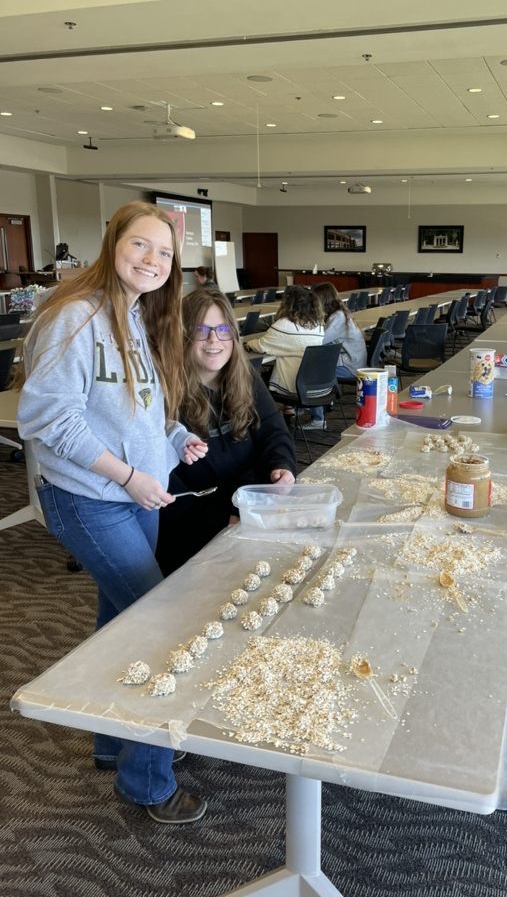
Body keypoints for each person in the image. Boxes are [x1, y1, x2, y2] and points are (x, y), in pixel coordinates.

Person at [17, 201, 210, 824]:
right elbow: (47, 418)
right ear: (113, 244)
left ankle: (109, 740)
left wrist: (175, 439)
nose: (152, 260)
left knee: (120, 622)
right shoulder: (75, 317)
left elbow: (138, 408)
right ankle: (145, 781)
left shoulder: (133, 313)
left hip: (136, 495)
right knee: (157, 628)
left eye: (164, 252)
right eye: (140, 246)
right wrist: (130, 474)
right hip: (92, 499)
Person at [156, 289, 297, 575]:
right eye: (201, 330)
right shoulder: (165, 392)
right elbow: (167, 486)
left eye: (222, 330)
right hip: (196, 531)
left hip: (249, 511)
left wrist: (282, 466)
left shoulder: (244, 376)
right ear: (183, 335)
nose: (214, 341)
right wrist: (223, 521)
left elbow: (273, 431)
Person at [244, 284, 324, 419]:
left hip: (295, 386)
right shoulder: (318, 325)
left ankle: (262, 419)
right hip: (317, 383)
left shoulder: (284, 325)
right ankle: (289, 410)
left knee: (258, 376)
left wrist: (247, 344)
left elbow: (261, 346)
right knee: (287, 362)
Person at [308, 282, 367, 426]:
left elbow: (319, 341)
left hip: (350, 366)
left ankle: (318, 419)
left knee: (311, 372)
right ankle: (312, 404)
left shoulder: (337, 318)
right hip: (351, 361)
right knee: (311, 364)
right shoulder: (339, 313)